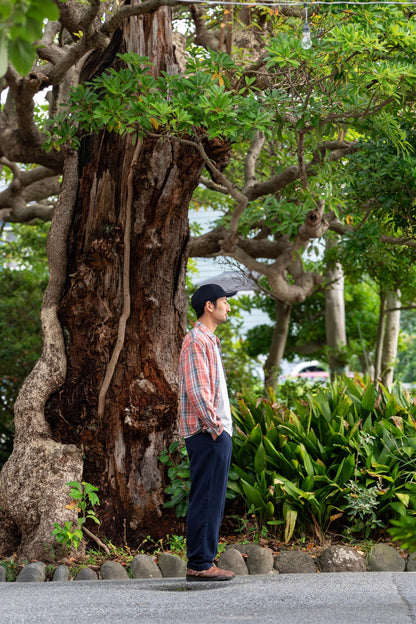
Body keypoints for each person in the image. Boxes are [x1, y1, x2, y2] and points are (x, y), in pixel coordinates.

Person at [179, 283, 237, 582]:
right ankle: (200, 564)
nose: (228, 307)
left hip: (214, 431)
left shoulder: (209, 340)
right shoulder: (196, 340)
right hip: (207, 432)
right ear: (209, 306)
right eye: (224, 302)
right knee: (206, 498)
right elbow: (197, 389)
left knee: (212, 498)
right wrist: (216, 429)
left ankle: (202, 561)